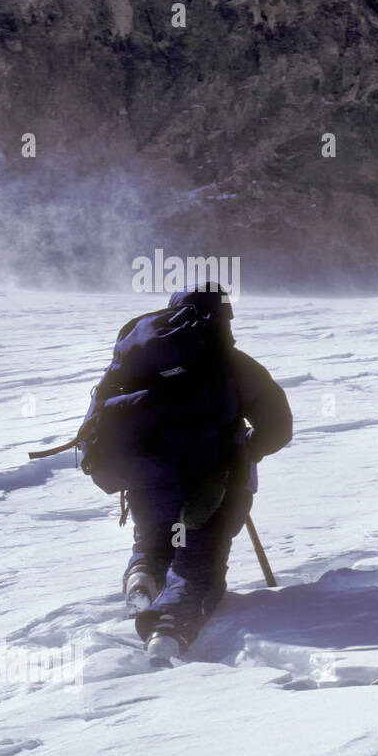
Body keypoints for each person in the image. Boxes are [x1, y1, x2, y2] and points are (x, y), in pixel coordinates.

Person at [89, 283, 292, 661]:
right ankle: (167, 633)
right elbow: (279, 425)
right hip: (212, 486)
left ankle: (143, 576)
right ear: (224, 316)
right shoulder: (232, 363)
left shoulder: (137, 359)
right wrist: (248, 448)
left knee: (155, 542)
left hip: (147, 483)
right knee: (198, 563)